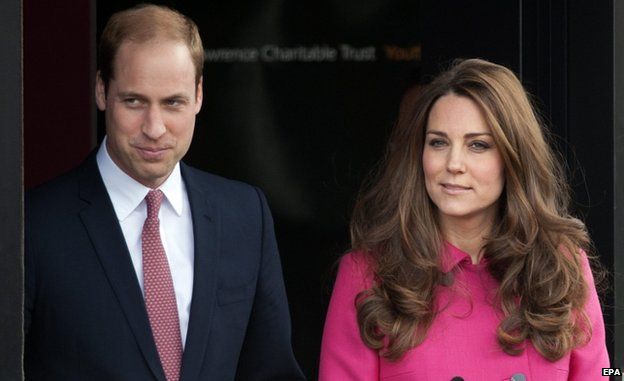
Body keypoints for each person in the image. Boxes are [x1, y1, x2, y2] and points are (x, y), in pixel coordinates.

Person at [24, 4, 304, 381]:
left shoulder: (244, 214)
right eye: (134, 101)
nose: (154, 128)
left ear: (199, 96)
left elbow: (271, 372)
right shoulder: (33, 224)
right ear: (102, 90)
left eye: (173, 102)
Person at [319, 58, 609, 380]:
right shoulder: (368, 274)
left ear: (513, 158)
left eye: (478, 145)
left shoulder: (560, 268)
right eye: (438, 142)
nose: (453, 163)